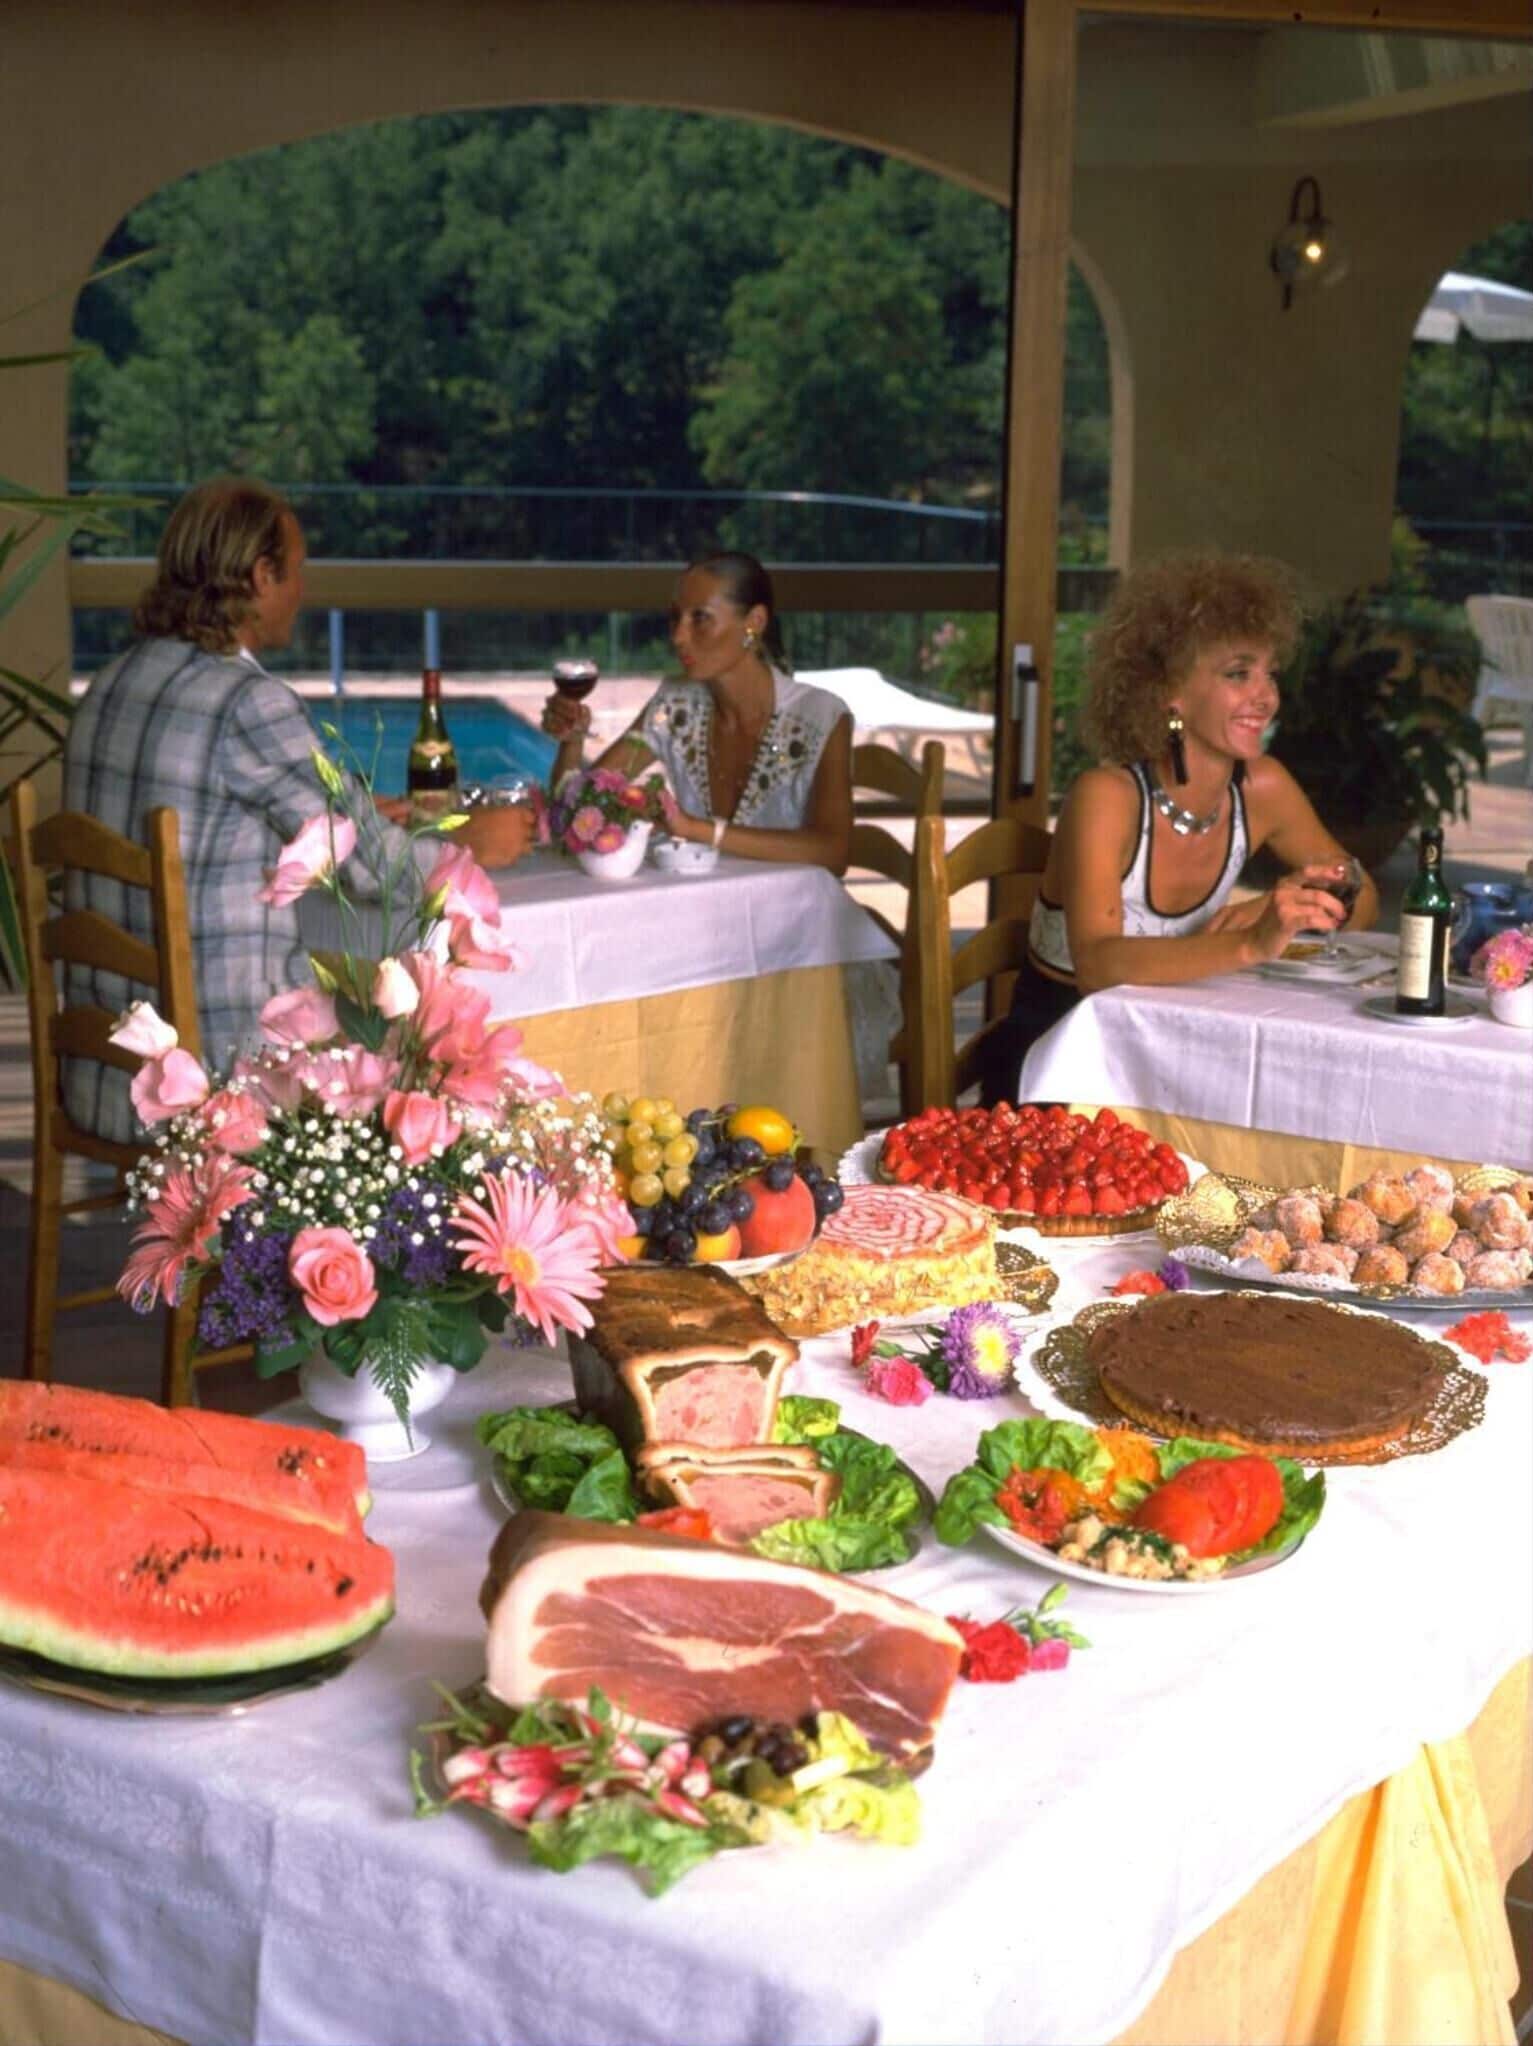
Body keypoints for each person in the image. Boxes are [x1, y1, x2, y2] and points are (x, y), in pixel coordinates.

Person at [62, 476, 532, 1142]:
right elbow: (371, 874)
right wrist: (472, 846)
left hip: (105, 1073)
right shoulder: (246, 702)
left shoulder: (108, 685)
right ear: (259, 577)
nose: (303, 591)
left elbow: (219, 807)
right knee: (424, 1085)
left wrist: (359, 812)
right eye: (298, 571)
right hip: (213, 1080)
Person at [981, 550, 1379, 1105]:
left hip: (1171, 1062)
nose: (1265, 696)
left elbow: (1364, 896)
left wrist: (1300, 904)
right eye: (1238, 673)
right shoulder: (1107, 798)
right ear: (1167, 691)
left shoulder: (1263, 788)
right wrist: (1251, 943)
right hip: (1060, 1074)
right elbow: (1097, 966)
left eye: (1270, 673)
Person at [542, 551, 852, 873]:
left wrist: (697, 829)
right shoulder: (676, 706)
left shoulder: (821, 717)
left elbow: (833, 853)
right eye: (675, 618)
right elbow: (579, 808)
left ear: (754, 623)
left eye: (699, 618)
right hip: (704, 909)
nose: (678, 636)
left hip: (795, 914)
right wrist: (572, 739)